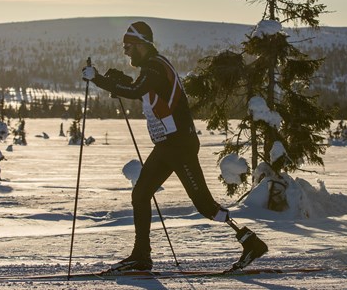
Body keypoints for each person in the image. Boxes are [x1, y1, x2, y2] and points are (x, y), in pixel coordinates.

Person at [81, 21, 268, 272]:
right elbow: (144, 89)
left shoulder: (155, 67)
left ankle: (251, 243)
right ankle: (141, 257)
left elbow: (137, 89)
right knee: (140, 194)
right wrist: (118, 81)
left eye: (128, 46)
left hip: (179, 145)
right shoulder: (153, 67)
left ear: (142, 45)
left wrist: (101, 80)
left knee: (205, 206)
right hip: (168, 145)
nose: (125, 51)